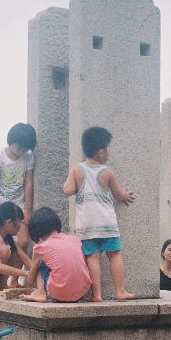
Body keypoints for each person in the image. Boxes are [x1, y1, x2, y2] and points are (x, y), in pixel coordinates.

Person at [63, 126, 135, 301]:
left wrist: (72, 177)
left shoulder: (77, 170)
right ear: (101, 152)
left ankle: (97, 294)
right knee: (114, 254)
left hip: (86, 225)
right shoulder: (107, 172)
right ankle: (120, 291)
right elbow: (118, 194)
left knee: (92, 257)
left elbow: (68, 190)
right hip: (106, 224)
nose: (110, 151)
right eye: (109, 148)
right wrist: (125, 194)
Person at [0, 123, 37, 285]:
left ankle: (14, 280)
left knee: (22, 242)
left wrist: (28, 210)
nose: (22, 151)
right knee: (1, 246)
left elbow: (28, 183)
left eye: (25, 148)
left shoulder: (28, 157)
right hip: (1, 208)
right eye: (19, 147)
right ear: (12, 141)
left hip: (19, 207)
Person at [20, 206, 92, 303]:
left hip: (60, 292)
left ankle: (41, 293)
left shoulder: (41, 248)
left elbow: (30, 279)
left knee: (40, 265)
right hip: (82, 292)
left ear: (36, 231)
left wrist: (28, 274)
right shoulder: (74, 240)